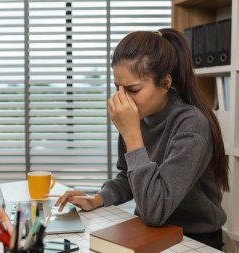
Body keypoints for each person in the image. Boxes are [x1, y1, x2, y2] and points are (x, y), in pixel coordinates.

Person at [54, 28, 229, 250]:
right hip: (150, 231)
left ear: (165, 83)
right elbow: (130, 176)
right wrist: (97, 199)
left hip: (194, 239)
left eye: (133, 89)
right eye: (117, 87)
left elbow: (155, 210)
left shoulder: (191, 125)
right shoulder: (139, 115)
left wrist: (132, 134)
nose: (121, 98)